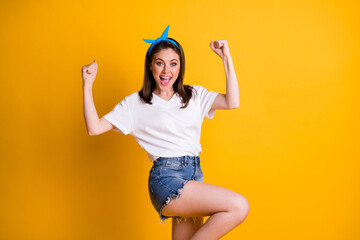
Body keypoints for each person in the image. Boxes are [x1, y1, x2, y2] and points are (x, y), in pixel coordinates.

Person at [82, 25, 249, 240]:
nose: (166, 71)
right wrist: (87, 85)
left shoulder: (194, 95)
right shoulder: (136, 103)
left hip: (194, 175)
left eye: (173, 64)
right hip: (166, 179)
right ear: (150, 66)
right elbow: (94, 128)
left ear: (180, 67)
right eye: (159, 63)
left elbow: (232, 101)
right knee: (238, 206)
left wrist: (226, 58)